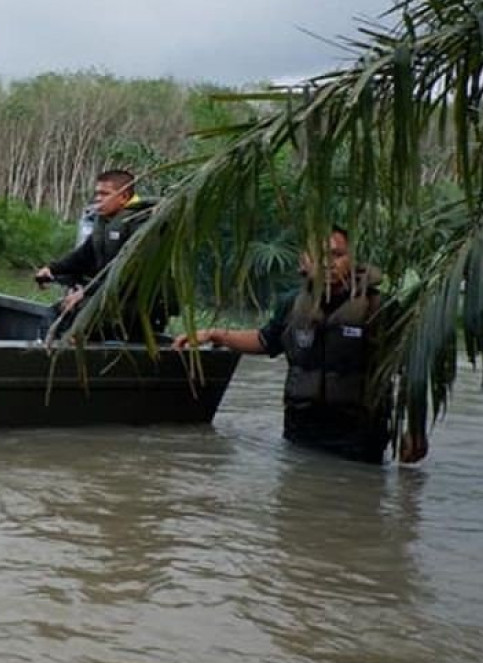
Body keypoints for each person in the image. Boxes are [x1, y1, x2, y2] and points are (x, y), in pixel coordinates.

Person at [174, 227, 394, 464]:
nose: (328, 264)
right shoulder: (292, 304)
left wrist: (414, 431)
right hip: (300, 431)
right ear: (304, 261)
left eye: (337, 255)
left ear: (352, 259)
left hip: (359, 437)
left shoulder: (379, 308)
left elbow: (411, 370)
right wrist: (215, 335)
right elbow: (264, 340)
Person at [34, 169, 168, 340]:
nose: (98, 198)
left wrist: (86, 294)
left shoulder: (143, 223)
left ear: (124, 197)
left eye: (105, 194)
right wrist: (52, 269)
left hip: (137, 306)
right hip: (108, 299)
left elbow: (130, 274)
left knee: (70, 320)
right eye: (97, 193)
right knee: (54, 315)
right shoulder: (107, 221)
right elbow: (84, 255)